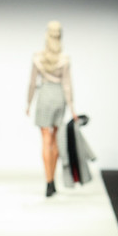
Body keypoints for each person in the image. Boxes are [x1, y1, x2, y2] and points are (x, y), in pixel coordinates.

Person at [27, 21, 77, 197]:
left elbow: (33, 82)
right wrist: (72, 107)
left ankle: (48, 181)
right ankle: (52, 180)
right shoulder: (64, 59)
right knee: (55, 140)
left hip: (45, 95)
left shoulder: (38, 57)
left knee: (45, 140)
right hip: (59, 97)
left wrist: (28, 103)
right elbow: (67, 84)